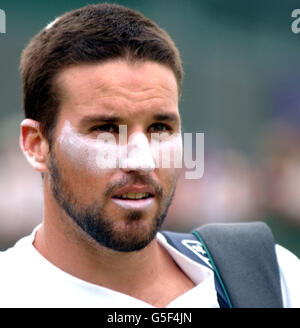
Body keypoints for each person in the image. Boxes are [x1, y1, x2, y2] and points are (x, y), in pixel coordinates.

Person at [0, 3, 299, 308]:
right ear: (37, 145)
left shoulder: (269, 276)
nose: (142, 161)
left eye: (159, 127)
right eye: (106, 129)